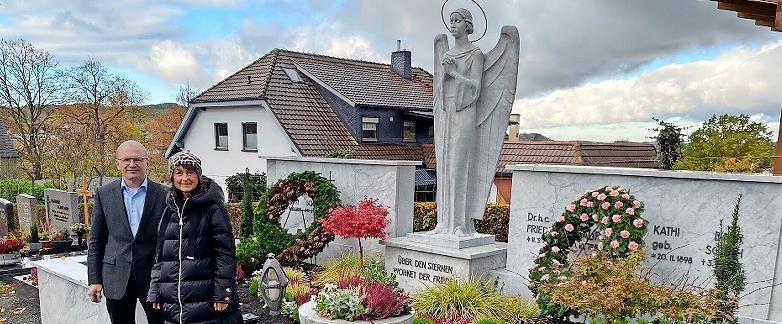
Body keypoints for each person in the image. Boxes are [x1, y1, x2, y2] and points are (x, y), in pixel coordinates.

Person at [147, 151, 241, 323]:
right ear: (172, 176)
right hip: (175, 306)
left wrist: (223, 293)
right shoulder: (169, 210)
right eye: (179, 172)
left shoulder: (213, 209)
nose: (185, 178)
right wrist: (155, 289)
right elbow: (160, 256)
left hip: (207, 301)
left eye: (190, 172)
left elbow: (225, 254)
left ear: (199, 175)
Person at [87, 140, 166, 324]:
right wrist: (95, 279)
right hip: (116, 277)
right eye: (126, 159)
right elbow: (97, 241)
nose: (132, 164)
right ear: (117, 163)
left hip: (155, 278)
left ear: (147, 163)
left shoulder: (164, 194)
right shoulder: (104, 193)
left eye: (138, 159)